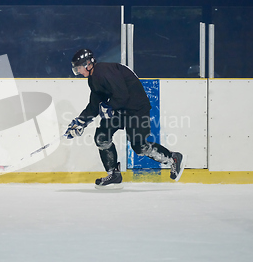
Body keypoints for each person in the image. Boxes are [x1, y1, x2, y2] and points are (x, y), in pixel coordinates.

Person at [64, 49, 185, 189]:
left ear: (89, 64)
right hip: (120, 109)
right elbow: (94, 105)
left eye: (79, 68)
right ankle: (113, 174)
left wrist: (109, 107)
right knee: (102, 137)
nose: (78, 71)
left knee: (139, 146)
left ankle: (173, 158)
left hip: (136, 109)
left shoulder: (103, 71)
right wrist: (80, 122)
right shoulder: (93, 78)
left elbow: (122, 94)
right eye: (76, 69)